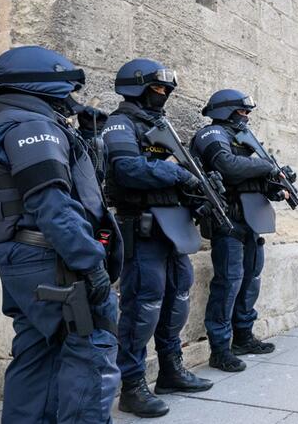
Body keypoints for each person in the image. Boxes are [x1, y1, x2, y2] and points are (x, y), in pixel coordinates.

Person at [0, 46, 121, 423]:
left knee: (37, 352)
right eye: (65, 86)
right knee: (91, 348)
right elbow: (53, 205)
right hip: (53, 259)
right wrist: (91, 265)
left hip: (27, 258)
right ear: (42, 82)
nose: (70, 96)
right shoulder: (31, 126)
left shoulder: (14, 122)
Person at [103, 58, 213, 417]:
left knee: (178, 296)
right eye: (158, 88)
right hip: (142, 225)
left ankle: (171, 370)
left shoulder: (160, 124)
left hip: (173, 226)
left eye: (167, 89)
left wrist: (198, 192)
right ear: (136, 86)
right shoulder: (119, 123)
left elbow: (182, 168)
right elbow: (127, 169)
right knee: (142, 305)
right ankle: (132, 387)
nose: (163, 95)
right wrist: (176, 175)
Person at [191, 89, 288, 373]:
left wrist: (277, 185)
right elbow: (229, 168)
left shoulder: (245, 139)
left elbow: (257, 178)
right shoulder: (212, 135)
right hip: (228, 220)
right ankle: (220, 349)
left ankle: (243, 336)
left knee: (250, 280)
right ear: (226, 111)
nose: (246, 118)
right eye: (242, 112)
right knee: (228, 283)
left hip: (252, 221)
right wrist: (265, 165)